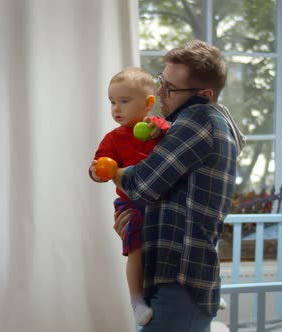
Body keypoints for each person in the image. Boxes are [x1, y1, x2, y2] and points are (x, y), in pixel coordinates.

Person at [111, 40, 245, 331]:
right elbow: (166, 191)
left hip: (180, 278)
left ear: (205, 94)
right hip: (176, 277)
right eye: (162, 81)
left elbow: (142, 183)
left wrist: (114, 171)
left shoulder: (199, 119)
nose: (159, 93)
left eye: (170, 88)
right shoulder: (211, 122)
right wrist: (136, 223)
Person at [89, 67, 170, 326]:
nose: (116, 109)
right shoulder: (112, 139)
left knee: (173, 242)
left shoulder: (157, 126)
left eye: (124, 101)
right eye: (112, 102)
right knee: (136, 249)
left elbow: (168, 132)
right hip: (131, 202)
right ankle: (136, 300)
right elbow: (98, 167)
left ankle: (196, 292)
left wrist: (158, 129)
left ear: (148, 104)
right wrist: (98, 171)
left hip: (162, 202)